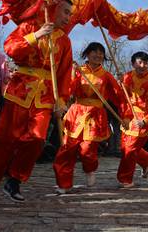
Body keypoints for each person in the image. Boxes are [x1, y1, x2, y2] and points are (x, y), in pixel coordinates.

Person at [0, 0, 73, 205]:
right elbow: (11, 49)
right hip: (19, 92)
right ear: (53, 9)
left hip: (46, 96)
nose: (68, 17)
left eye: (69, 14)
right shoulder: (28, 27)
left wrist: (62, 100)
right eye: (65, 12)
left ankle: (15, 179)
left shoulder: (64, 40)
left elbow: (64, 73)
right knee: (4, 140)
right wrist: (36, 36)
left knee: (37, 139)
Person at [53, 42, 124, 194]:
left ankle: (90, 169)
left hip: (94, 115)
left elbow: (119, 96)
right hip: (76, 113)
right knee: (67, 149)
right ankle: (64, 183)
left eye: (101, 53)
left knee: (87, 149)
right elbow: (68, 89)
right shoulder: (78, 71)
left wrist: (124, 85)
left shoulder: (106, 76)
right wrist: (61, 104)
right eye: (94, 52)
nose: (98, 55)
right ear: (87, 53)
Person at [116, 52, 148, 188]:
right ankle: (147, 160)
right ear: (133, 64)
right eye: (139, 62)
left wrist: (146, 121)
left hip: (144, 118)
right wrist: (119, 84)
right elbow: (122, 98)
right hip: (128, 117)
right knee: (125, 147)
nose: (143, 65)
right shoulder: (126, 76)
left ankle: (125, 178)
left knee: (130, 149)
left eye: (146, 63)